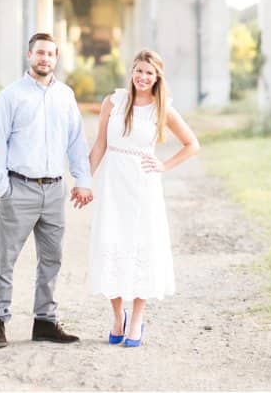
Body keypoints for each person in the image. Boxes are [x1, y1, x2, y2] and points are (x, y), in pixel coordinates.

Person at [0, 32, 93, 349]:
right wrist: (4, 190)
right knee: (5, 260)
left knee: (52, 260)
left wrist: (82, 179)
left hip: (55, 190)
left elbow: (75, 142)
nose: (45, 58)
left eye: (50, 54)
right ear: (29, 55)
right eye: (39, 53)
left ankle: (45, 322)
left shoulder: (65, 96)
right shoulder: (10, 96)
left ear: (56, 58)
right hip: (20, 189)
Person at [87, 49, 199, 347]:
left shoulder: (163, 108)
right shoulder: (113, 101)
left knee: (140, 247)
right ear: (131, 71)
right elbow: (100, 144)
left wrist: (163, 165)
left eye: (149, 72)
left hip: (142, 186)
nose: (143, 77)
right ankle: (116, 317)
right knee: (110, 242)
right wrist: (84, 181)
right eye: (139, 70)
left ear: (157, 76)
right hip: (113, 182)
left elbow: (192, 144)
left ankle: (136, 319)